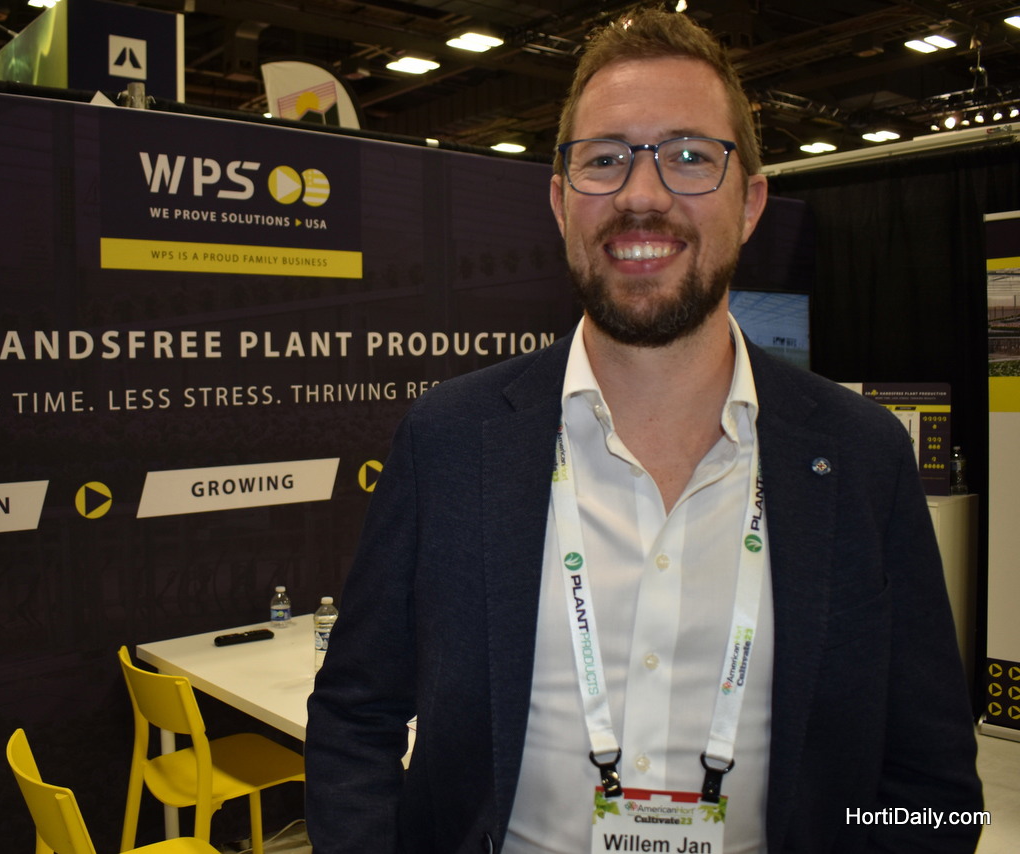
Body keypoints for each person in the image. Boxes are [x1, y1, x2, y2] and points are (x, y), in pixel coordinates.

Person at [304, 8, 983, 854]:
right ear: (561, 202)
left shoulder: (861, 457)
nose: (642, 196)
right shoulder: (448, 440)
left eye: (691, 156)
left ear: (751, 204)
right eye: (604, 159)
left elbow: (935, 790)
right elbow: (355, 714)